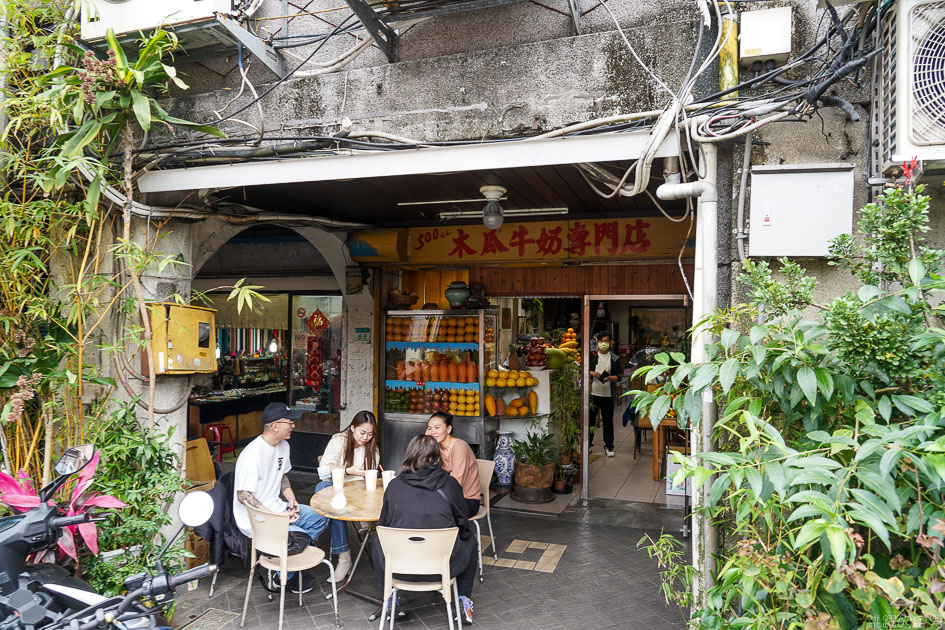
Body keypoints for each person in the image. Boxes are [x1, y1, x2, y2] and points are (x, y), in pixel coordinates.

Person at [371, 435, 478, 625]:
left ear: (409, 455)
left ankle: (390, 600)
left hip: (399, 568)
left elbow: (384, 524)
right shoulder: (451, 484)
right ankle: (463, 601)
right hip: (443, 568)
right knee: (470, 538)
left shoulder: (394, 486)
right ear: (438, 457)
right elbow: (463, 522)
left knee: (378, 539)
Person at [233, 402, 328, 593]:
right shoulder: (252, 454)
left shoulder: (283, 446)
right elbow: (243, 494)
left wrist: (291, 500)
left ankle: (287, 556)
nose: (293, 425)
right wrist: (276, 518)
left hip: (277, 508)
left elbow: (282, 476)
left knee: (321, 517)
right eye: (290, 422)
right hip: (257, 518)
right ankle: (282, 575)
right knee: (298, 534)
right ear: (275, 426)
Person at [316, 410, 381, 583]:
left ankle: (370, 528)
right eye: (362, 432)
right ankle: (344, 559)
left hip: (360, 491)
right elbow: (323, 471)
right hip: (338, 489)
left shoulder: (371, 445)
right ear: (352, 428)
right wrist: (346, 471)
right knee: (330, 497)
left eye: (370, 433)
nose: (366, 437)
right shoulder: (339, 441)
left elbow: (372, 472)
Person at [425, 412, 481, 518]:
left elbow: (456, 483)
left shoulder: (460, 447)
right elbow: (425, 472)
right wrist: (426, 442)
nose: (432, 432)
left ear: (449, 429)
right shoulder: (436, 447)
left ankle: (458, 535)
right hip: (445, 497)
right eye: (429, 428)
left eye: (437, 427)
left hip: (467, 500)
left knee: (432, 512)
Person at [588, 332, 622, 457]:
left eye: (606, 341)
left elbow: (619, 376)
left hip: (608, 395)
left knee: (608, 422)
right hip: (593, 393)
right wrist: (593, 373)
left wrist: (610, 378)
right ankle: (588, 445)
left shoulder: (614, 358)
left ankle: (609, 446)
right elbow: (583, 370)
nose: (603, 343)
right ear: (597, 343)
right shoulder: (591, 356)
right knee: (590, 421)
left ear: (610, 342)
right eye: (601, 341)